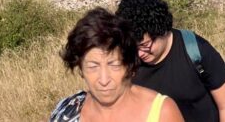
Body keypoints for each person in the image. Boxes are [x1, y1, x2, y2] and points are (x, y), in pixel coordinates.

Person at [115, 0, 225, 122]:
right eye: (133, 46)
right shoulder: (127, 61)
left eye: (145, 45)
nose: (139, 53)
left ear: (161, 30)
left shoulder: (196, 50)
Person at [50, 8, 184, 122]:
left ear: (130, 66)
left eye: (114, 65)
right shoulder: (67, 110)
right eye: (93, 67)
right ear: (80, 69)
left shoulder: (162, 113)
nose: (104, 80)